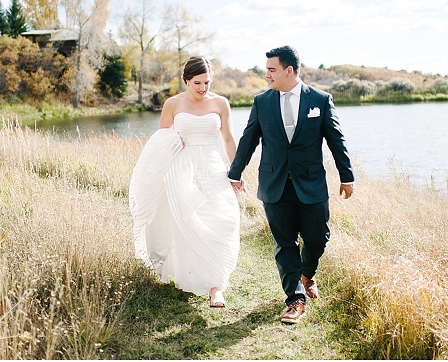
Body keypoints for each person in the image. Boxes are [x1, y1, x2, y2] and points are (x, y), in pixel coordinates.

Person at [228, 46, 355, 324]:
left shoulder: (320, 100)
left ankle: (307, 274)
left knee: (318, 237)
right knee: (284, 243)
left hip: (311, 183)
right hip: (274, 183)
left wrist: (347, 176)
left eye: (271, 70)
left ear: (289, 70)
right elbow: (248, 139)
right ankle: (295, 300)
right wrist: (235, 173)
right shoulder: (262, 101)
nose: (266, 75)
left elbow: (336, 140)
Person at [129, 56, 241, 308]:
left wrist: (236, 172)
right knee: (190, 223)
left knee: (224, 220)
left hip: (214, 169)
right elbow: (161, 141)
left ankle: (217, 283)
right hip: (182, 169)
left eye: (207, 82)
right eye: (197, 83)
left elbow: (229, 140)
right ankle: (207, 284)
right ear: (186, 81)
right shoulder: (173, 104)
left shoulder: (221, 103)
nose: (203, 88)